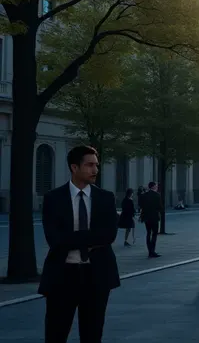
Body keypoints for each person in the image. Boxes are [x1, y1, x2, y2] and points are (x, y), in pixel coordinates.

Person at [40, 145, 121, 343]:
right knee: (55, 333)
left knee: (92, 334)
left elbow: (109, 235)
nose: (95, 170)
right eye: (89, 165)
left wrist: (73, 238)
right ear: (74, 168)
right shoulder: (53, 198)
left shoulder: (106, 198)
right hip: (62, 275)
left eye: (97, 165)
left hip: (97, 274)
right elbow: (55, 240)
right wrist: (91, 237)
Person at [138, 181, 161, 258]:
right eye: (156, 186)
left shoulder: (143, 195)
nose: (157, 187)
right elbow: (160, 207)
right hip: (154, 217)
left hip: (146, 217)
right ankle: (152, 250)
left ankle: (149, 250)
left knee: (148, 233)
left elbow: (140, 205)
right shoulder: (157, 195)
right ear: (154, 187)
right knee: (154, 234)